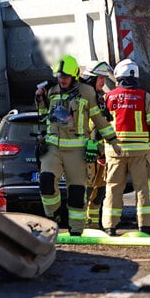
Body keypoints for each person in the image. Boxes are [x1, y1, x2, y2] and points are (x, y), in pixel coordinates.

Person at [36, 55, 121, 236]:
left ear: (74, 75)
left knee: (76, 193)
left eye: (66, 77)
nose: (62, 80)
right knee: (46, 182)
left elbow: (98, 119)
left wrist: (113, 141)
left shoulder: (87, 92)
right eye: (60, 77)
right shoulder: (51, 91)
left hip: (76, 151)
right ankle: (54, 215)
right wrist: (40, 100)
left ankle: (76, 231)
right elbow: (44, 115)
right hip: (53, 147)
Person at [102, 59, 150, 236]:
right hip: (140, 153)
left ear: (118, 77)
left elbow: (100, 127)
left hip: (114, 152)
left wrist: (100, 152)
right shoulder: (145, 97)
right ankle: (146, 226)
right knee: (143, 188)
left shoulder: (108, 97)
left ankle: (109, 226)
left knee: (113, 187)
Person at [80, 60, 114, 228]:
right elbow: (92, 129)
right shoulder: (85, 98)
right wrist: (96, 152)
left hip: (100, 153)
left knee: (99, 190)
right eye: (100, 78)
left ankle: (93, 225)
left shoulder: (100, 98)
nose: (103, 82)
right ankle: (82, 225)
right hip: (88, 152)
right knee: (86, 189)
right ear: (91, 79)